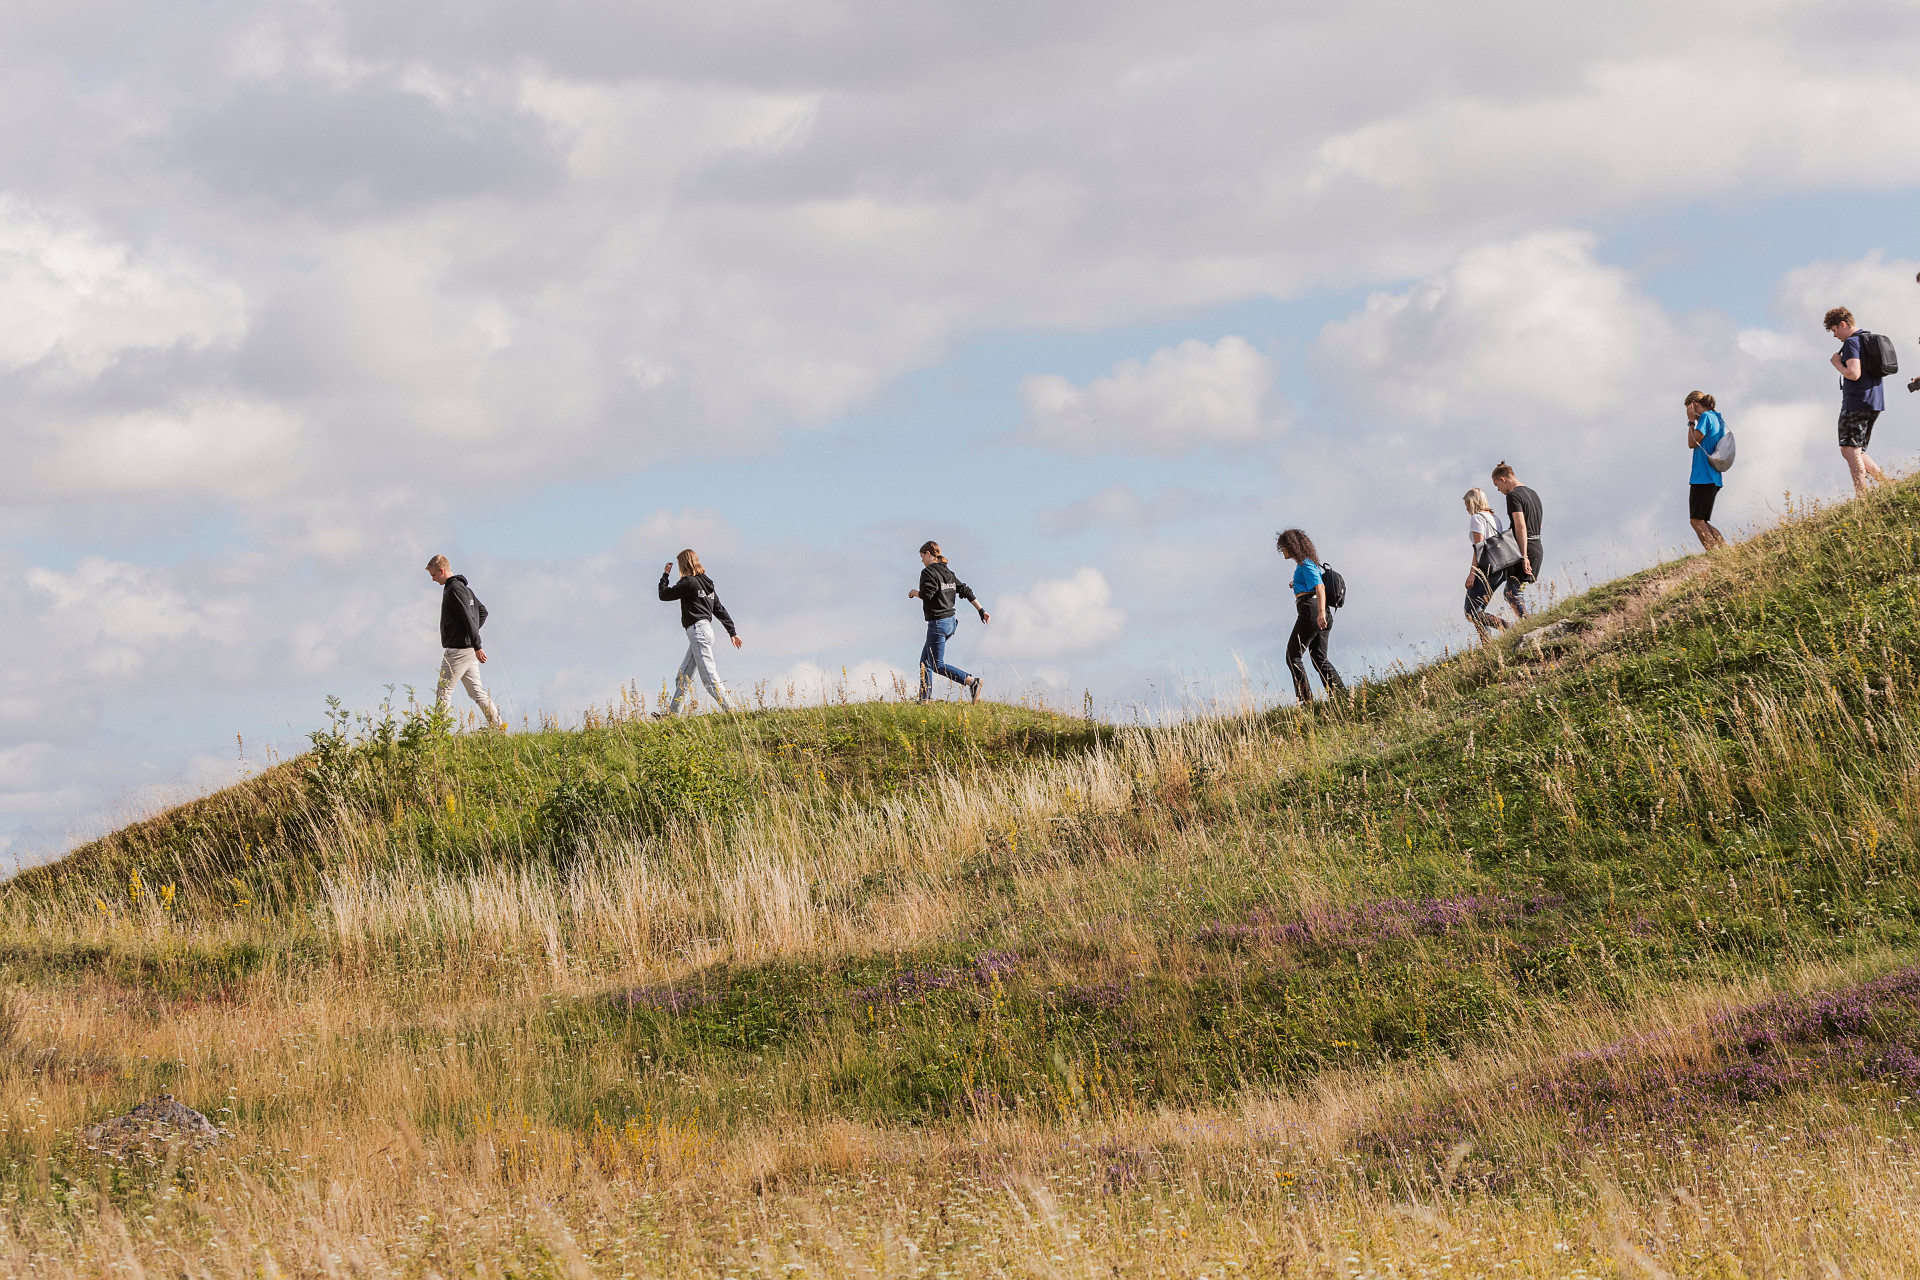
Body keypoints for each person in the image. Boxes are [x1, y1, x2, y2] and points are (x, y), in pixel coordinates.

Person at [425, 555, 505, 730]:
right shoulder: (464, 589)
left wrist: (475, 642)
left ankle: (438, 733)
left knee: (444, 691)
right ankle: (498, 727)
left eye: (433, 575)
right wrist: (471, 638)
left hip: (458, 650)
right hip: (467, 649)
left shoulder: (453, 588)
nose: (433, 579)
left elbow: (469, 617)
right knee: (476, 692)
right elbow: (482, 612)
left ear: (442, 570)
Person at [658, 549, 741, 715]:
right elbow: (719, 608)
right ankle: (672, 716)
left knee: (709, 678)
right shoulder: (707, 584)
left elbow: (664, 595)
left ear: (684, 564)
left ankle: (733, 712)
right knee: (683, 678)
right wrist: (732, 632)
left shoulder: (688, 582)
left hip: (698, 631)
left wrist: (665, 575)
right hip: (705, 631)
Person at [907, 540, 988, 702]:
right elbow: (965, 590)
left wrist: (914, 593)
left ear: (929, 554)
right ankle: (924, 700)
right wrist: (981, 610)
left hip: (938, 623)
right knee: (925, 662)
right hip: (950, 622)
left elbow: (927, 594)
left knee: (936, 664)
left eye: (922, 556)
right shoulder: (948, 573)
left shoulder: (928, 572)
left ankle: (972, 682)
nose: (922, 560)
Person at [1275, 528, 1344, 703]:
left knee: (1293, 655)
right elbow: (1313, 584)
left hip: (1312, 611)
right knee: (1319, 657)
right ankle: (1341, 696)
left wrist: (1320, 613)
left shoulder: (1305, 564)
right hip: (1321, 611)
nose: (1282, 550)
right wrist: (1296, 584)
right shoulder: (1308, 564)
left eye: (1283, 547)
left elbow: (1319, 587)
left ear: (1291, 546)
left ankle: (1306, 700)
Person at [1824, 306, 1887, 495]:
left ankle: (1862, 495)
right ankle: (1885, 484)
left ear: (1843, 324)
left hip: (1856, 402)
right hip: (1874, 400)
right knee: (1855, 449)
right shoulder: (1867, 339)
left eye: (1835, 330)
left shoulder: (1852, 342)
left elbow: (1853, 373)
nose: (1835, 336)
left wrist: (1837, 364)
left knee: (1849, 449)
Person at [1488, 462, 1542, 618]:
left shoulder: (1513, 496)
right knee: (1515, 590)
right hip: (1537, 545)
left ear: (1503, 479)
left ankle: (1527, 624)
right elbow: (1539, 525)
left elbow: (1520, 526)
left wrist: (1524, 556)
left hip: (1524, 547)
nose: (1498, 489)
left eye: (1497, 484)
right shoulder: (1533, 494)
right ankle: (1527, 622)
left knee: (1512, 593)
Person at [1460, 490, 1509, 640]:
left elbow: (1479, 548)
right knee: (1479, 611)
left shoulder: (1477, 518)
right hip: (1499, 568)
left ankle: (1508, 626)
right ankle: (1487, 646)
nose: (1466, 507)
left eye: (1467, 503)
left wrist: (1472, 574)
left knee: (1471, 612)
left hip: (1485, 569)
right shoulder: (1495, 518)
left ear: (1473, 502)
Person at [1685, 390, 1729, 551]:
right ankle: (1725, 552)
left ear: (1694, 405)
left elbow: (1692, 442)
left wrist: (1691, 421)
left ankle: (1714, 556)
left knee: (1696, 520)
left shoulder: (1705, 418)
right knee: (1702, 520)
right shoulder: (1718, 418)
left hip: (1702, 477)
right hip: (1714, 477)